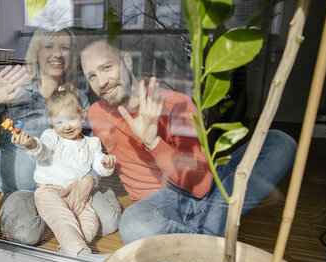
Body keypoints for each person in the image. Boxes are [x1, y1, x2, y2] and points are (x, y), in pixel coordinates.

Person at [80, 40, 297, 244]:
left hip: (195, 187)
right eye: (91, 76)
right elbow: (93, 154)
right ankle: (210, 233)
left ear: (127, 61)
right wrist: (85, 180)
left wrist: (153, 142)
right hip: (157, 206)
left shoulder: (176, 103)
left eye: (107, 68)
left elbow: (201, 185)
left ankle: (198, 234)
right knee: (134, 226)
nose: (101, 82)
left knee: (281, 143)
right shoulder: (96, 114)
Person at [0, 29, 121, 246]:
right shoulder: (14, 93)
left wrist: (89, 179)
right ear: (37, 51)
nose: (57, 54)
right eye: (49, 46)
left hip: (70, 186)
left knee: (110, 220)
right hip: (24, 191)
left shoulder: (78, 97)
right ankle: (61, 221)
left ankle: (62, 221)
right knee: (25, 234)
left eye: (64, 48)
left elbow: (95, 146)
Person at [12, 84, 117, 260]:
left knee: (91, 222)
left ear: (82, 116)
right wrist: (31, 144)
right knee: (65, 220)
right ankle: (83, 254)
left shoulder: (92, 143)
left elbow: (98, 164)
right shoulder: (51, 137)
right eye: (59, 121)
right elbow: (41, 150)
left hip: (80, 196)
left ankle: (68, 251)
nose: (66, 126)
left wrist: (106, 164)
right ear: (52, 122)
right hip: (51, 192)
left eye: (71, 119)